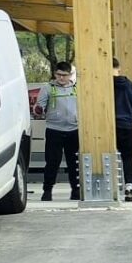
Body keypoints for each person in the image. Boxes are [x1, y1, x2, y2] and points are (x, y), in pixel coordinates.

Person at [38, 62, 81, 201]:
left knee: (74, 162)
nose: (61, 78)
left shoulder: (77, 88)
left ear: (70, 75)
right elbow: (39, 107)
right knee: (52, 162)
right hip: (54, 130)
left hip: (73, 130)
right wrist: (38, 109)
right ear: (55, 74)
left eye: (64, 75)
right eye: (59, 75)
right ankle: (47, 190)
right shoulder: (47, 88)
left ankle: (76, 190)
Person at [110, 59, 132, 202]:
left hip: (108, 125)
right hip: (126, 125)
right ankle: (129, 184)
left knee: (106, 156)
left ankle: (109, 187)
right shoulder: (130, 84)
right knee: (128, 157)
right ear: (118, 68)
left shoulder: (104, 84)